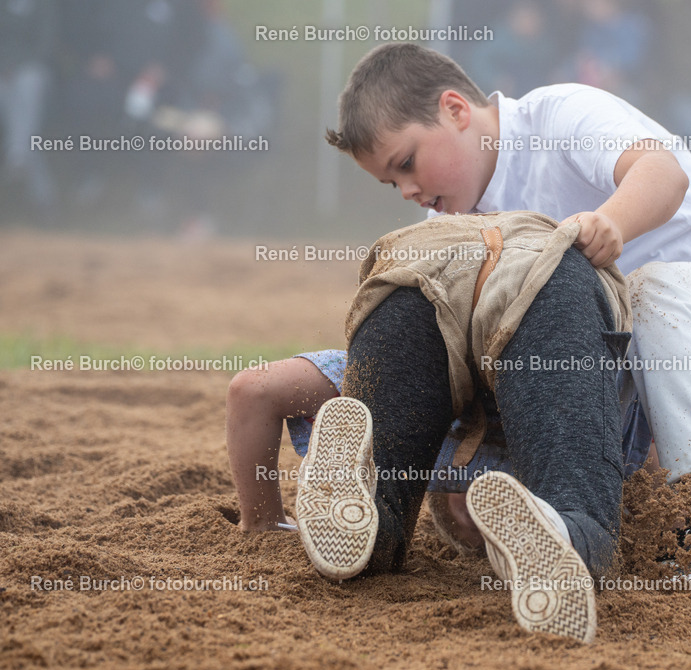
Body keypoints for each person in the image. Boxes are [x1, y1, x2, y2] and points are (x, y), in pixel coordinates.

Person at [324, 42, 691, 579]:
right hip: (652, 361)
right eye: (392, 182)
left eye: (407, 162)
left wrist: (613, 223)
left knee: (650, 292)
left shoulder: (555, 114)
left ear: (456, 110)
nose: (408, 190)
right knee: (509, 465)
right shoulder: (454, 228)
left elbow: (663, 172)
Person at [231, 210, 634, 643]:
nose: (405, 190)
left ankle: (369, 501)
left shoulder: (347, 377)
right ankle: (563, 527)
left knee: (382, 524)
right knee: (586, 513)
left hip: (416, 261)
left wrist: (261, 521)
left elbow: (252, 389)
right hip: (546, 267)